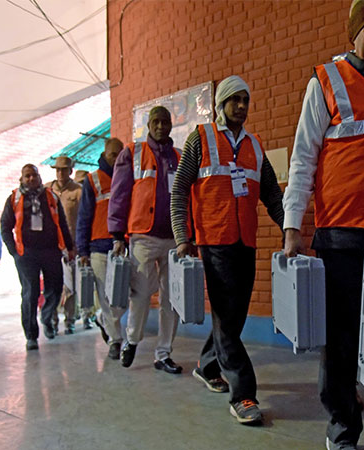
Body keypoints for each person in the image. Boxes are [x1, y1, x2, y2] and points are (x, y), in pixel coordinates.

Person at [282, 1, 364, 448]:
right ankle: (342, 431)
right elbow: (302, 160)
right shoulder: (326, 82)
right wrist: (291, 228)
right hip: (342, 235)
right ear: (354, 34)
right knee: (340, 341)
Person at [171, 75, 285, 425]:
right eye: (234, 100)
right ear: (220, 105)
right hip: (214, 240)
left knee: (232, 315)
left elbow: (271, 194)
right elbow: (179, 190)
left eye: (245, 100)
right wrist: (182, 236)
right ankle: (244, 394)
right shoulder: (200, 138)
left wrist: (289, 229)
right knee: (225, 311)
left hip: (245, 240)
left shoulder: (255, 145)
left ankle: (207, 366)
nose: (241, 106)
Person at [108, 106, 183, 374]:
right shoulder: (132, 153)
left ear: (171, 125)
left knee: (172, 298)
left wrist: (188, 236)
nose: (161, 126)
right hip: (143, 237)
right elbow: (118, 195)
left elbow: (186, 198)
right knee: (139, 295)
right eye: (156, 122)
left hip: (174, 239)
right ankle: (132, 340)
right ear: (148, 125)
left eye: (165, 122)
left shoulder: (179, 156)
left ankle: (163, 353)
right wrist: (118, 235)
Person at [0, 164, 74, 351]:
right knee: (30, 293)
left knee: (56, 289)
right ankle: (31, 336)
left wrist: (70, 248)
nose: (31, 179)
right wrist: (14, 252)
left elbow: (62, 224)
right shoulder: (14, 199)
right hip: (27, 254)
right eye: (27, 176)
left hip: (50, 250)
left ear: (40, 177)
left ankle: (47, 317)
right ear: (22, 179)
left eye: (34, 175)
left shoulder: (50, 197)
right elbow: (5, 226)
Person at [76, 138, 125, 360]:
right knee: (108, 297)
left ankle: (103, 320)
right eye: (112, 154)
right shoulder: (92, 180)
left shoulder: (128, 176)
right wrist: (82, 251)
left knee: (125, 297)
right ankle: (115, 340)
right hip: (99, 246)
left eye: (119, 154)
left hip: (123, 245)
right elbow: (84, 217)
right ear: (105, 154)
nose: (116, 159)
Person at [45, 156, 86, 334]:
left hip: (71, 246)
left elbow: (84, 219)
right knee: (52, 285)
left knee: (70, 286)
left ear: (70, 171)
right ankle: (52, 320)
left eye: (64, 169)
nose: (60, 173)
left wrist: (78, 245)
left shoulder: (78, 191)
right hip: (51, 247)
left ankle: (70, 319)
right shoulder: (47, 190)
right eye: (58, 170)